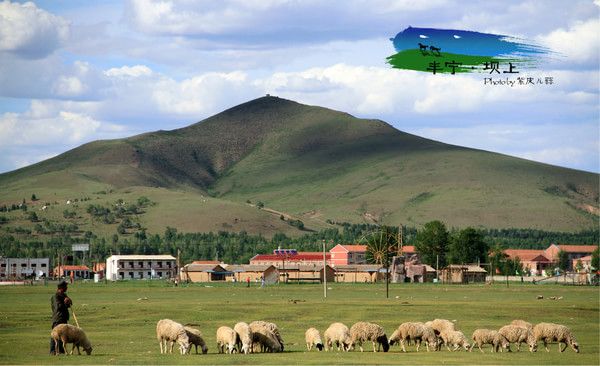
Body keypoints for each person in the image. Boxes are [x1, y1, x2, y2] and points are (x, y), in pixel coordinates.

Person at [50, 281, 72, 355]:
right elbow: (58, 307)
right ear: (61, 288)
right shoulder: (55, 296)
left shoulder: (64, 295)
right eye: (66, 286)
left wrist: (69, 302)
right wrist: (65, 302)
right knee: (55, 335)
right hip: (58, 318)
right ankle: (53, 351)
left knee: (63, 335)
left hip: (64, 318)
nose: (67, 288)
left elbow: (68, 305)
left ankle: (61, 350)